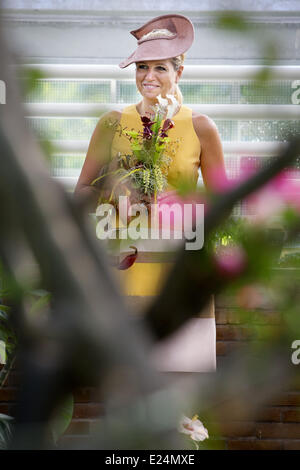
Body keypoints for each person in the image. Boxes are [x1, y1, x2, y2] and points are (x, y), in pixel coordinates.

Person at [74, 14, 227, 372]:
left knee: (182, 380)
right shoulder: (111, 124)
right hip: (123, 266)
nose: (149, 77)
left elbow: (223, 203)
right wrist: (112, 188)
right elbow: (81, 191)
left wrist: (184, 204)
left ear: (179, 73)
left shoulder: (201, 127)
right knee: (123, 379)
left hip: (178, 271)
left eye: (160, 68)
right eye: (142, 67)